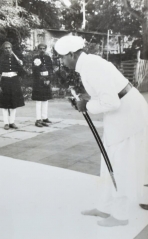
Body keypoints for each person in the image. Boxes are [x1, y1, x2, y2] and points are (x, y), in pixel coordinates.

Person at [54, 36, 148, 227]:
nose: (62, 62)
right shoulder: (88, 64)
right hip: (120, 115)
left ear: (72, 54)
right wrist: (87, 99)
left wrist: (86, 104)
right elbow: (106, 92)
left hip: (127, 117)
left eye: (62, 57)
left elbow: (111, 101)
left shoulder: (91, 66)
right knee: (108, 161)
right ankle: (104, 207)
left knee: (119, 164)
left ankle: (120, 216)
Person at [0, 41, 25, 130]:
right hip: (4, 81)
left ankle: (12, 122)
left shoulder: (15, 58)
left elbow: (21, 70)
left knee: (14, 102)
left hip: (14, 81)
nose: (8, 50)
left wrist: (20, 63)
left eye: (9, 48)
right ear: (3, 49)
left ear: (11, 49)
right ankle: (6, 123)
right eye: (6, 48)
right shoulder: (0, 59)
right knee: (5, 103)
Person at [32, 43, 53, 127]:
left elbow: (51, 69)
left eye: (44, 48)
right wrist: (42, 79)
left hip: (46, 81)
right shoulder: (35, 58)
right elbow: (35, 71)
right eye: (40, 48)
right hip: (38, 81)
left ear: (45, 49)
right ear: (38, 49)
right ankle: (38, 119)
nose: (42, 50)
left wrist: (48, 79)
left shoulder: (48, 58)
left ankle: (44, 117)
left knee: (45, 99)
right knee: (38, 100)